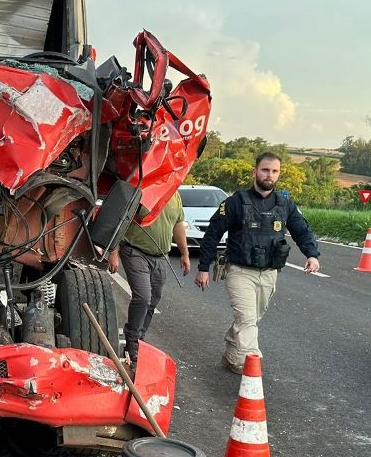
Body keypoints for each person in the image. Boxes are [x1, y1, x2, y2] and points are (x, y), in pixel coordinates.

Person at [194, 153, 320, 374]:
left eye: (274, 171)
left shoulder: (285, 204)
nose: (269, 175)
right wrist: (204, 267)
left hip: (269, 272)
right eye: (265, 170)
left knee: (252, 318)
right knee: (247, 318)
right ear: (255, 171)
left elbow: (302, 230)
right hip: (240, 271)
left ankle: (232, 355)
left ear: (279, 174)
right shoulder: (235, 202)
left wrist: (312, 255)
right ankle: (252, 363)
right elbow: (213, 234)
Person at [108, 191, 190, 364]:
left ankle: (140, 339)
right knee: (143, 297)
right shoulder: (144, 189)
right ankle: (132, 342)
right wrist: (113, 252)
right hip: (134, 251)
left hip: (161, 256)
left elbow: (178, 225)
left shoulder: (175, 195)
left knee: (153, 300)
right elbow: (120, 219)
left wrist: (185, 254)